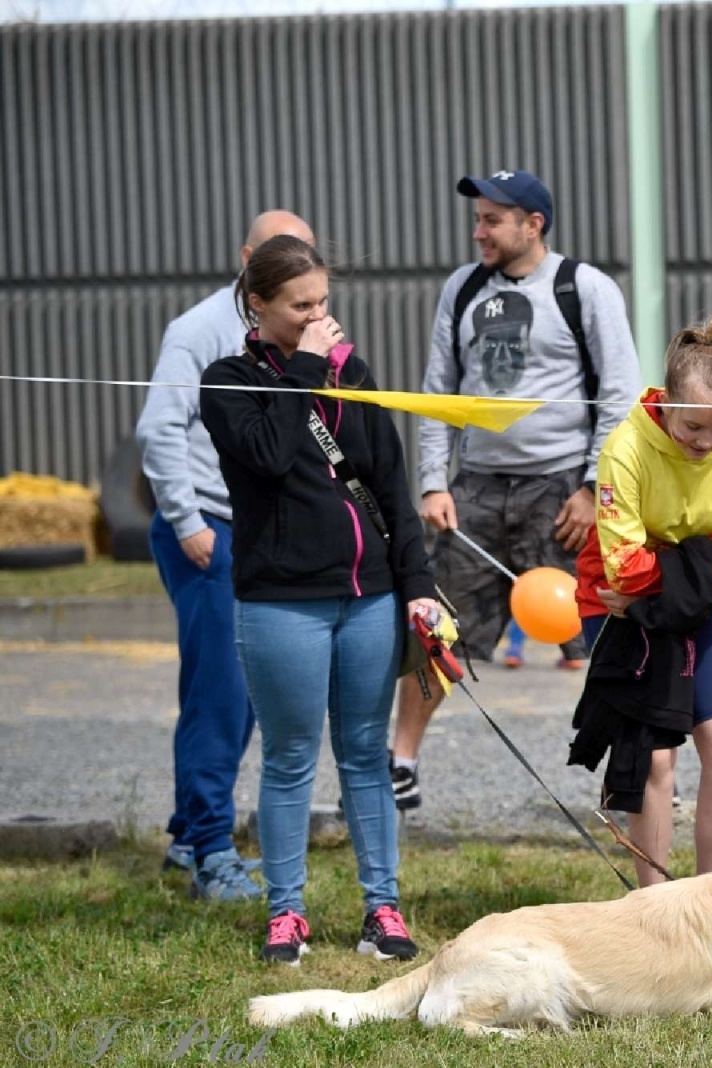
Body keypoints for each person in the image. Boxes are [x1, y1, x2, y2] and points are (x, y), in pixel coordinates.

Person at [199, 235, 437, 964]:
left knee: (365, 752)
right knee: (291, 757)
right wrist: (305, 365)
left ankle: (383, 909)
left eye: (322, 303)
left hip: (368, 595)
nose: (316, 316)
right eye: (299, 306)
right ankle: (286, 912)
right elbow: (267, 454)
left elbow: (389, 484)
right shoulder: (226, 379)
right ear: (259, 303)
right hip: (280, 601)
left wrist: (418, 583)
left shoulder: (350, 372)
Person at [392, 169, 642, 810]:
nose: (479, 231)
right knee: (438, 632)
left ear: (534, 224)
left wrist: (592, 489)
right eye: (477, 218)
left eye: (492, 220)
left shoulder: (584, 289)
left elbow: (620, 397)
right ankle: (401, 765)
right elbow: (436, 392)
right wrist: (432, 482)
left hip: (561, 492)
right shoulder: (463, 288)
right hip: (472, 490)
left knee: (601, 635)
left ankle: (639, 774)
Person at [135, 209, 314, 901]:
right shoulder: (197, 330)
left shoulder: (296, 332)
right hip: (208, 528)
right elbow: (159, 429)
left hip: (260, 531)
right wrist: (186, 520)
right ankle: (212, 848)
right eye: (278, 252)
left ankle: (187, 834)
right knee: (220, 694)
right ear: (247, 258)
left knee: (248, 699)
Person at [574, 305, 712, 887]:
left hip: (688, 606)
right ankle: (655, 902)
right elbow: (622, 570)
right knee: (657, 753)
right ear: (666, 407)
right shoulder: (625, 450)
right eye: (693, 428)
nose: (706, 443)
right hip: (613, 607)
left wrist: (669, 588)